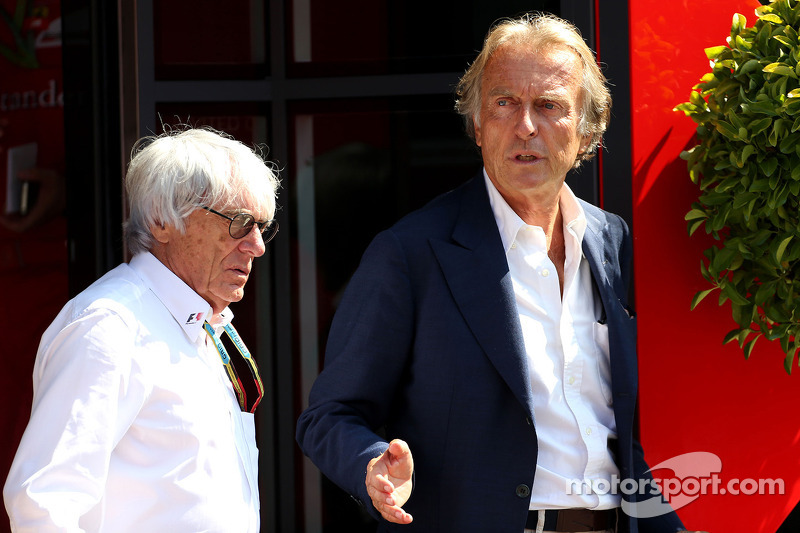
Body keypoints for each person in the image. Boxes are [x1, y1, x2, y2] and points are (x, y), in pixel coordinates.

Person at [296, 13, 705, 533]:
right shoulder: (412, 253)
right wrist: (372, 463)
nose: (525, 125)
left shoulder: (610, 240)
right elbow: (328, 417)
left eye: (549, 105)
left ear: (586, 132)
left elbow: (618, 427)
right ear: (477, 125)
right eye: (504, 103)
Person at [4, 127, 280, 532]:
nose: (257, 245)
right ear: (162, 221)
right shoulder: (109, 327)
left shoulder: (203, 322)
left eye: (261, 226)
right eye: (239, 223)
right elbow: (44, 506)